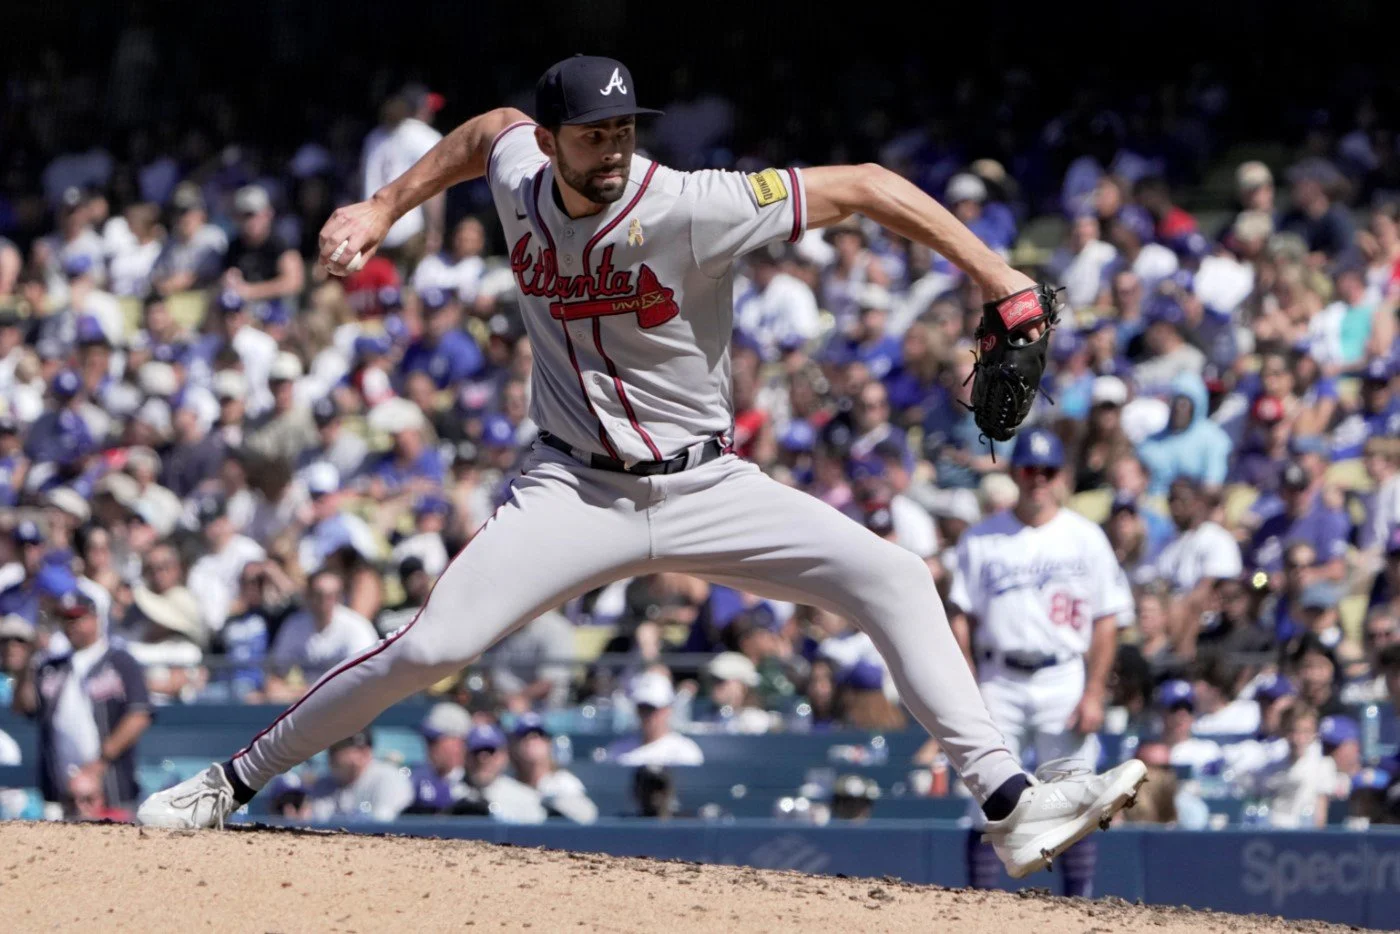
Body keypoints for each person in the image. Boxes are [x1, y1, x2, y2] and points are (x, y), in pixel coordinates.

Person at [138, 53, 1146, 880]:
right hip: (572, 488)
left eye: (624, 129)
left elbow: (870, 187)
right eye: (593, 133)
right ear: (554, 140)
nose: (614, 147)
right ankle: (228, 782)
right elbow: (486, 128)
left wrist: (999, 277)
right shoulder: (520, 171)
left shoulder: (693, 205)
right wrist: (381, 205)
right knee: (430, 646)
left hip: (707, 484)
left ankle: (1008, 802)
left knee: (892, 576)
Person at [949, 428, 1133, 898]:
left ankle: (1078, 906)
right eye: (1030, 469)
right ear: (1015, 472)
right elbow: (960, 617)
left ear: (1062, 476)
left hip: (1063, 675)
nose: (1039, 479)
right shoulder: (982, 537)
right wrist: (968, 684)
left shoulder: (1085, 537)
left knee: (1075, 797)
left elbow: (1107, 620)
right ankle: (979, 907)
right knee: (987, 795)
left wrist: (1094, 692)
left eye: (1048, 471)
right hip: (999, 676)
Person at [11, 591, 151, 817]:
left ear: (95, 618)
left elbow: (139, 715)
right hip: (60, 791)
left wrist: (100, 763)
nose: (71, 624)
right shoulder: (51, 667)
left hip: (112, 786)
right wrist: (27, 665)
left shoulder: (120, 661)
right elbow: (24, 708)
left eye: (77, 617)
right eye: (66, 618)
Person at [307, 729, 413, 823]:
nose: (332, 757)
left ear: (365, 753)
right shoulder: (324, 784)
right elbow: (315, 820)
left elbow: (384, 823)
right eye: (332, 750)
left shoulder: (387, 778)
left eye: (339, 750)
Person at [603, 670, 704, 767]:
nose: (647, 715)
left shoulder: (685, 752)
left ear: (667, 709)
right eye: (642, 708)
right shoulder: (617, 751)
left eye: (652, 709)